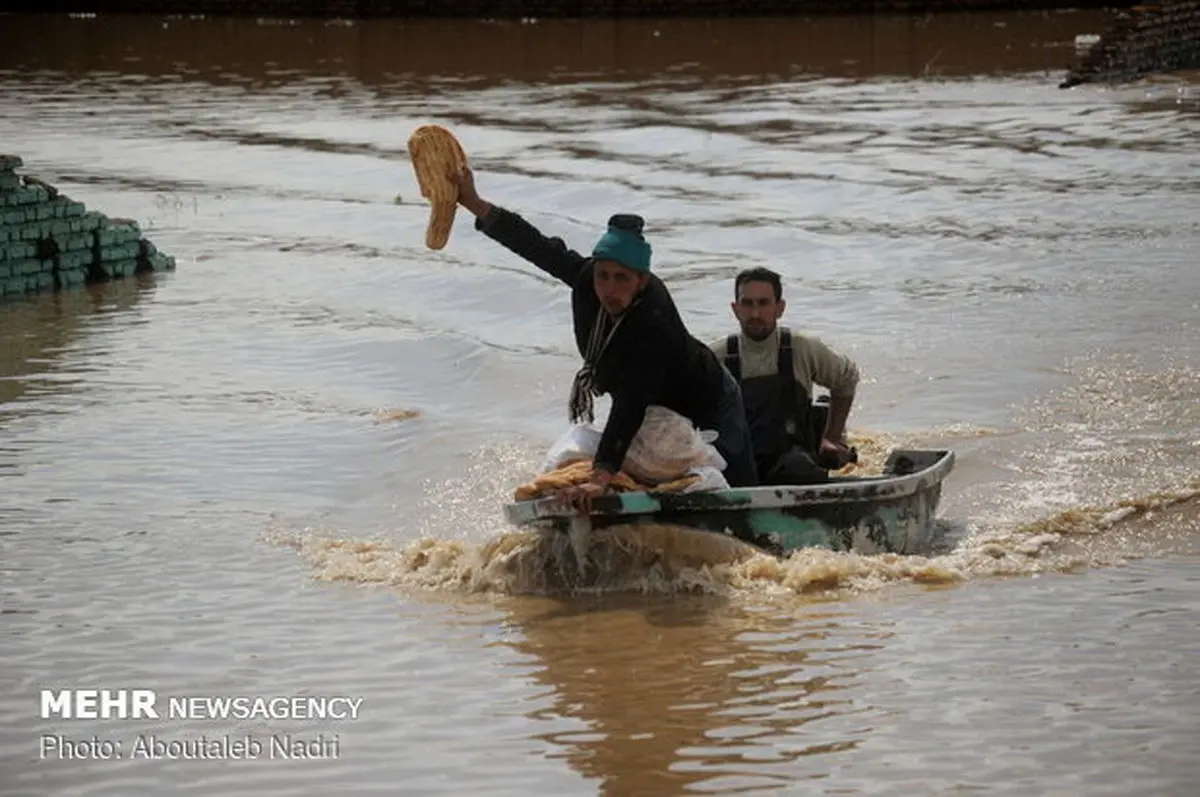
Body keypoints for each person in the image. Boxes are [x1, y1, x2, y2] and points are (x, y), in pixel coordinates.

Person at [450, 166, 758, 510]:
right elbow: (535, 245)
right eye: (603, 276)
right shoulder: (586, 280)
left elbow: (630, 405)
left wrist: (600, 477)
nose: (609, 289)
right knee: (634, 468)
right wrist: (475, 203)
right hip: (654, 409)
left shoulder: (654, 321)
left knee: (739, 489)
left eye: (621, 279)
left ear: (641, 281)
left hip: (708, 401)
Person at [708, 267, 859, 486]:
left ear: (780, 308)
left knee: (798, 468)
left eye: (764, 303)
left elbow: (847, 378)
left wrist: (832, 437)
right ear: (735, 309)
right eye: (748, 304)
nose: (755, 314)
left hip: (792, 465)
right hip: (739, 467)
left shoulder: (802, 348)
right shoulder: (715, 358)